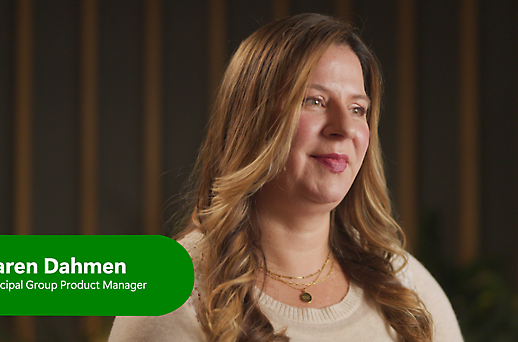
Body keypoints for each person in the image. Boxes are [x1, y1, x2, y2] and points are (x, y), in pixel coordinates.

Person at [108, 13, 463, 342]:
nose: (344, 128)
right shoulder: (171, 295)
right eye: (315, 101)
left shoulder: (403, 284)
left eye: (358, 109)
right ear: (254, 120)